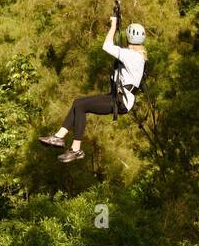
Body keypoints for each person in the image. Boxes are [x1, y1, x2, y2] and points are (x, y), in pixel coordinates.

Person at [39, 14, 146, 163]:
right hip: (116, 97)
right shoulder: (135, 56)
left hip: (121, 101)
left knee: (81, 106)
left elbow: (107, 46)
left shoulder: (131, 56)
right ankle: (59, 137)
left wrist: (114, 25)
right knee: (78, 103)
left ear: (128, 38)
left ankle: (76, 150)